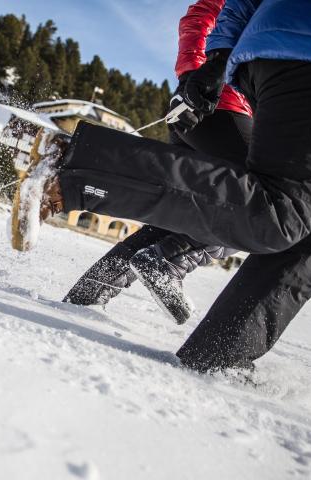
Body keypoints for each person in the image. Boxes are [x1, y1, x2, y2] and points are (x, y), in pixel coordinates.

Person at [19, 0, 311, 372]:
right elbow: (205, 13)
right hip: (261, 90)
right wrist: (201, 67)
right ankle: (81, 174)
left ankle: (92, 295)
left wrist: (215, 60)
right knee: (265, 212)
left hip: (261, 75)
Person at [63, 0, 251, 325]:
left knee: (173, 222)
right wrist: (193, 76)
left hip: (214, 108)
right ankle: (171, 261)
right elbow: (202, 16)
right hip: (216, 106)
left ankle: (87, 296)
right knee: (258, 201)